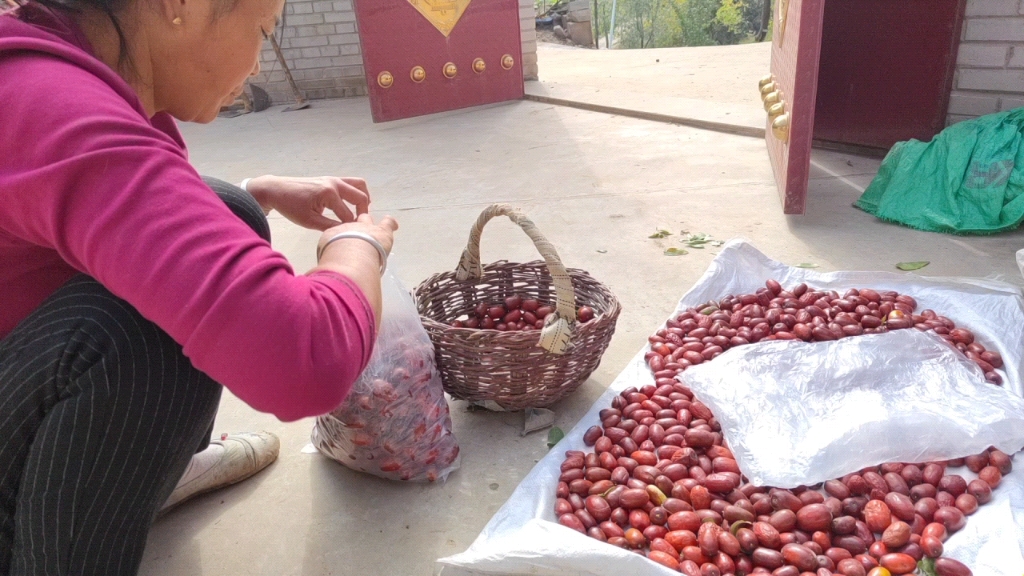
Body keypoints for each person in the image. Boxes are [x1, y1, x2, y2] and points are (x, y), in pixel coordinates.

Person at [0, 0, 399, 572]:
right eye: (263, 29)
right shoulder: (50, 105)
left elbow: (116, 208)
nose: (259, 64)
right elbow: (305, 357)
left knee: (229, 208)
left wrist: (258, 191)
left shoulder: (47, 60)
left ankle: (156, 470)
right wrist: (359, 246)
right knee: (141, 334)